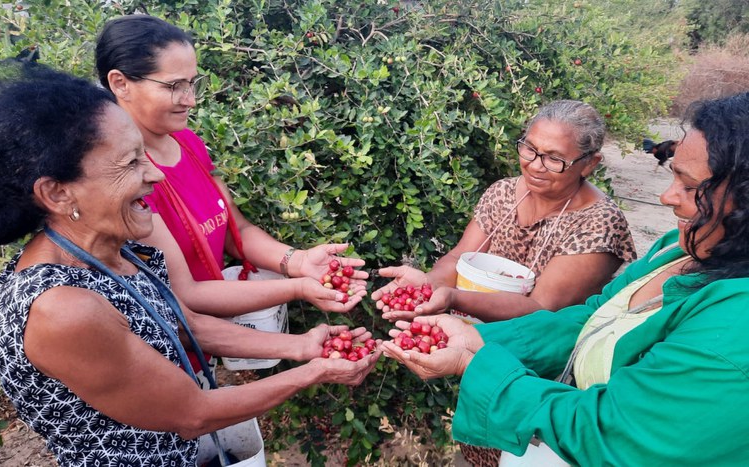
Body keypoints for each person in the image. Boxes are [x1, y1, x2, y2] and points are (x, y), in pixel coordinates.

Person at [0, 67, 380, 466]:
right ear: (56, 192)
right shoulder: (62, 308)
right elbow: (193, 414)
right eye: (131, 163)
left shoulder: (107, 250)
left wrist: (302, 346)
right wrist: (314, 372)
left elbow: (180, 323)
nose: (154, 174)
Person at [382, 91, 749, 465]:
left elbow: (613, 433)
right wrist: (474, 336)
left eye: (689, 187)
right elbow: (592, 316)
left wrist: (473, 358)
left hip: (551, 412)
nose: (667, 196)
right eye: (530, 149)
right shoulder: (676, 249)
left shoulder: (734, 328)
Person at [94, 14, 367, 322]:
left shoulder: (187, 143)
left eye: (192, 83)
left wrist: (299, 261)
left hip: (210, 345)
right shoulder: (123, 174)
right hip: (167, 353)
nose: (191, 100)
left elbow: (236, 231)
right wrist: (300, 287)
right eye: (174, 86)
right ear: (120, 83)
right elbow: (186, 293)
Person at [372, 100, 636, 325]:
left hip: (540, 357)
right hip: (478, 338)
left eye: (554, 159)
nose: (535, 166)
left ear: (589, 163)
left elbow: (542, 308)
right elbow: (458, 258)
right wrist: (428, 285)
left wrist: (452, 297)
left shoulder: (598, 224)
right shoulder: (504, 193)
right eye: (530, 149)